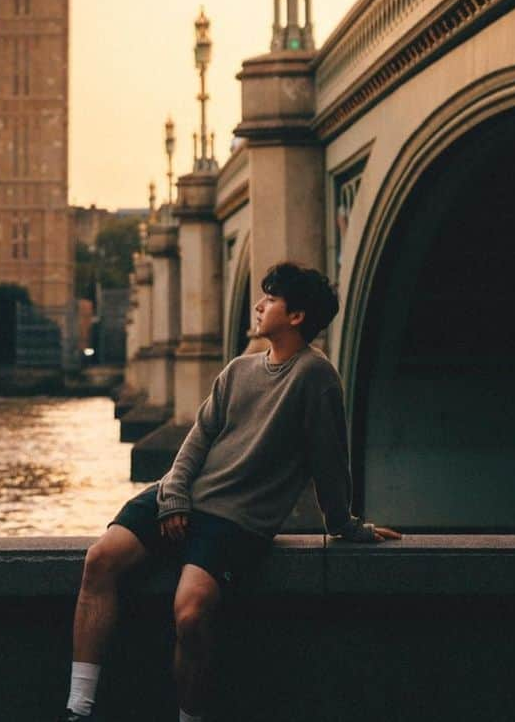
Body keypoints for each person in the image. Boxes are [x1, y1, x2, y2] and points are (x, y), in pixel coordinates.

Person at [60, 260, 400, 722]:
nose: (258, 305)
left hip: (238, 520)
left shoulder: (316, 379)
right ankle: (79, 708)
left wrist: (345, 525)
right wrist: (175, 495)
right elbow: (195, 441)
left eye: (270, 298)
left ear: (297, 316)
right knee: (100, 560)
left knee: (190, 613)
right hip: (185, 496)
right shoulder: (239, 370)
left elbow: (330, 464)